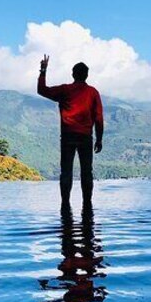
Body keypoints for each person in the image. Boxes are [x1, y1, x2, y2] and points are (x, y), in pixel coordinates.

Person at [37, 55, 104, 209]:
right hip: (86, 137)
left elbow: (42, 90)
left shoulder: (65, 90)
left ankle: (65, 204)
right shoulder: (93, 93)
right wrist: (99, 139)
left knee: (66, 172)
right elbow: (99, 118)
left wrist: (43, 70)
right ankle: (87, 204)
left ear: (73, 74)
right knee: (87, 172)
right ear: (87, 75)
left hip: (67, 137)